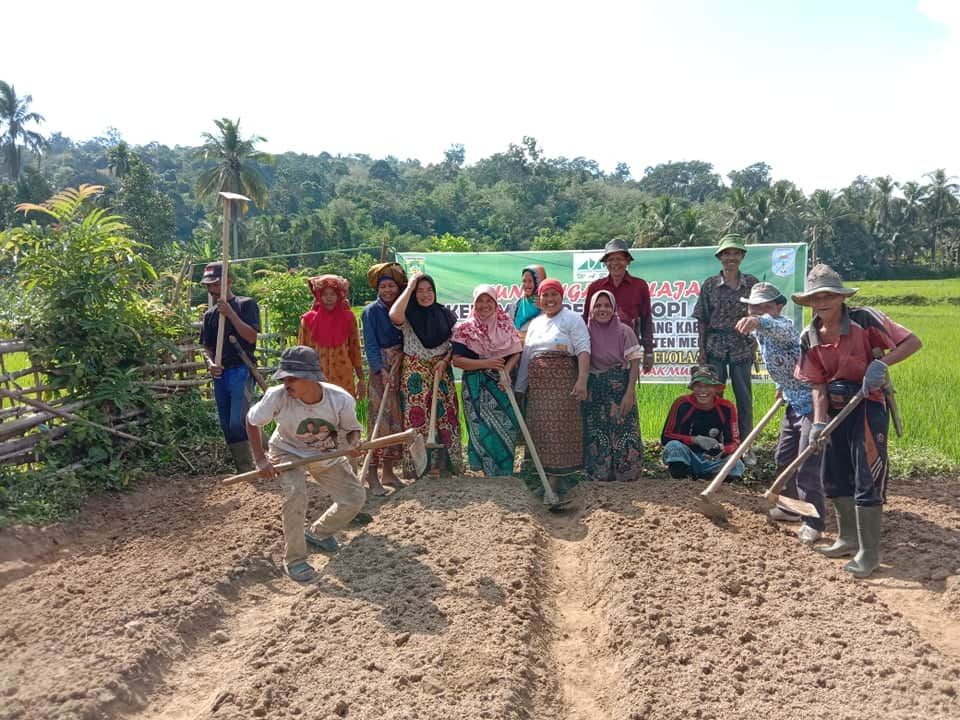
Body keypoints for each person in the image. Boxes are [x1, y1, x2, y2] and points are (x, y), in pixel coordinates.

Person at [793, 264, 921, 578]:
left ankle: (869, 553)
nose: (821, 301)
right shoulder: (809, 336)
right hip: (835, 407)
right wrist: (820, 423)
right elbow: (817, 384)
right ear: (809, 302)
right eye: (815, 297)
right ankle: (847, 538)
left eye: (828, 295)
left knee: (867, 475)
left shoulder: (865, 319)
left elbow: (912, 342)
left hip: (867, 404)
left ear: (840, 297)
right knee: (834, 473)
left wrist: (882, 365)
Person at [246, 346, 366, 583]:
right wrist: (260, 459)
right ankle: (295, 559)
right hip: (286, 451)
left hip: (325, 450)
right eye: (284, 377)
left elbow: (352, 430)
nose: (286, 383)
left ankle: (319, 533)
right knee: (296, 494)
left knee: (354, 498)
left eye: (293, 378)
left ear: (311, 378)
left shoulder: (339, 399)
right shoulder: (276, 396)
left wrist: (352, 444)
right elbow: (252, 422)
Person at [735, 282, 824, 544]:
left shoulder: (782, 326)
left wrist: (758, 321)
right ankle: (790, 508)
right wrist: (780, 386)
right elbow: (783, 360)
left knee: (806, 462)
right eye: (754, 306)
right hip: (791, 399)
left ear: (778, 307)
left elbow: (784, 334)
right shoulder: (761, 332)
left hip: (814, 401)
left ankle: (814, 521)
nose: (758, 310)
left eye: (765, 306)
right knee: (783, 457)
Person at [515, 279, 591, 494]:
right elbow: (528, 356)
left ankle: (558, 483)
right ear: (539, 300)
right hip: (539, 390)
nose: (549, 300)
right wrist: (521, 388)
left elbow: (584, 349)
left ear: (561, 296)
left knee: (560, 435)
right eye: (545, 296)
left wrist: (582, 379)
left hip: (563, 386)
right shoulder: (536, 324)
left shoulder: (572, 319)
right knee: (542, 434)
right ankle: (546, 482)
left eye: (553, 295)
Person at [692, 234, 758, 462]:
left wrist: (756, 344)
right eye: (726, 253)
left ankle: (746, 446)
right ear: (720, 257)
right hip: (715, 347)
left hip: (741, 347)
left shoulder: (751, 283)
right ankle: (716, 444)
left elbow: (760, 313)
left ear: (742, 256)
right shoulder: (710, 284)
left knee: (744, 398)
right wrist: (701, 351)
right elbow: (701, 319)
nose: (731, 257)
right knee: (713, 398)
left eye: (735, 253)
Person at [389, 271, 462, 476]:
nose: (425, 295)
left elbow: (452, 346)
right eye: (419, 291)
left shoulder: (445, 315)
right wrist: (410, 286)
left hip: (442, 371)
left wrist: (445, 361)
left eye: (429, 290)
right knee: (418, 419)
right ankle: (420, 468)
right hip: (416, 374)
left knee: (445, 418)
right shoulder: (409, 315)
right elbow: (394, 315)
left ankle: (445, 466)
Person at [452, 284, 523, 477]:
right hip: (474, 386)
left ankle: (503, 471)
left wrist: (506, 371)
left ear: (495, 302)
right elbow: (457, 360)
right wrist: (487, 363)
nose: (484, 305)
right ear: (474, 304)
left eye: (488, 300)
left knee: (506, 425)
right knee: (480, 427)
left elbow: (516, 352)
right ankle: (484, 471)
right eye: (480, 301)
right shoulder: (464, 329)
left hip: (501, 384)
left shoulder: (505, 324)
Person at [199, 261, 260, 472]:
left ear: (228, 282)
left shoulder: (246, 305)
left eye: (215, 284)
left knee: (238, 421)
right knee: (226, 425)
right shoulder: (210, 315)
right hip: (220, 373)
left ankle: (258, 457)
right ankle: (244, 468)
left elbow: (251, 337)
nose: (212, 289)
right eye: (209, 286)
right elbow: (206, 347)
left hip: (241, 370)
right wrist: (210, 364)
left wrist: (231, 315)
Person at [583, 290, 644, 481]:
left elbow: (634, 364)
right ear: (591, 309)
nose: (603, 309)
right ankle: (600, 473)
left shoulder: (625, 331)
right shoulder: (584, 332)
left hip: (619, 388)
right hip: (595, 390)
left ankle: (627, 473)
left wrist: (629, 393)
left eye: (607, 305)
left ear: (614, 308)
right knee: (597, 431)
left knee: (624, 429)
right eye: (598, 305)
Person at [361, 262, 408, 495]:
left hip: (400, 366)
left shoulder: (403, 309)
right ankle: (372, 476)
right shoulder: (370, 311)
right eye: (384, 287)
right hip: (381, 369)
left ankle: (389, 473)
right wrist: (381, 370)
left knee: (395, 420)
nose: (388, 291)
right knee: (378, 422)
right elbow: (370, 345)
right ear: (378, 289)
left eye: (391, 286)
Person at [581, 238, 654, 374]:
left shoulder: (639, 286)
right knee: (596, 390)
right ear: (606, 263)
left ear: (627, 261)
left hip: (628, 348)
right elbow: (586, 319)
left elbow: (646, 319)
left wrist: (648, 352)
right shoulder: (595, 287)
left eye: (619, 259)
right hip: (598, 351)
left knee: (626, 391)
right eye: (611, 259)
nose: (615, 263)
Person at [660, 365, 744, 481]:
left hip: (712, 460)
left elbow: (734, 442)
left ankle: (708, 479)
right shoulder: (682, 404)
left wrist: (722, 449)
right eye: (698, 386)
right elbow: (666, 437)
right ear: (693, 387)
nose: (703, 391)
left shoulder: (727, 407)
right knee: (673, 447)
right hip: (688, 457)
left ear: (716, 389)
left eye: (708, 386)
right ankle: (681, 479)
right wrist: (695, 440)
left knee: (736, 464)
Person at [298, 275, 366, 400]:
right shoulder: (308, 320)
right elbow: (302, 351)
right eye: (324, 294)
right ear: (319, 296)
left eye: (333, 294)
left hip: (343, 376)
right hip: (316, 377)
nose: (329, 298)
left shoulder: (348, 318)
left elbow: (355, 350)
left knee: (343, 413)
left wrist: (361, 379)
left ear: (339, 296)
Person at [505, 264, 546, 342]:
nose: (526, 285)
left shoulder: (549, 306)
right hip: (516, 349)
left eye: (530, 281)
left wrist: (545, 309)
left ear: (539, 282)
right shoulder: (516, 305)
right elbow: (506, 328)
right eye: (524, 281)